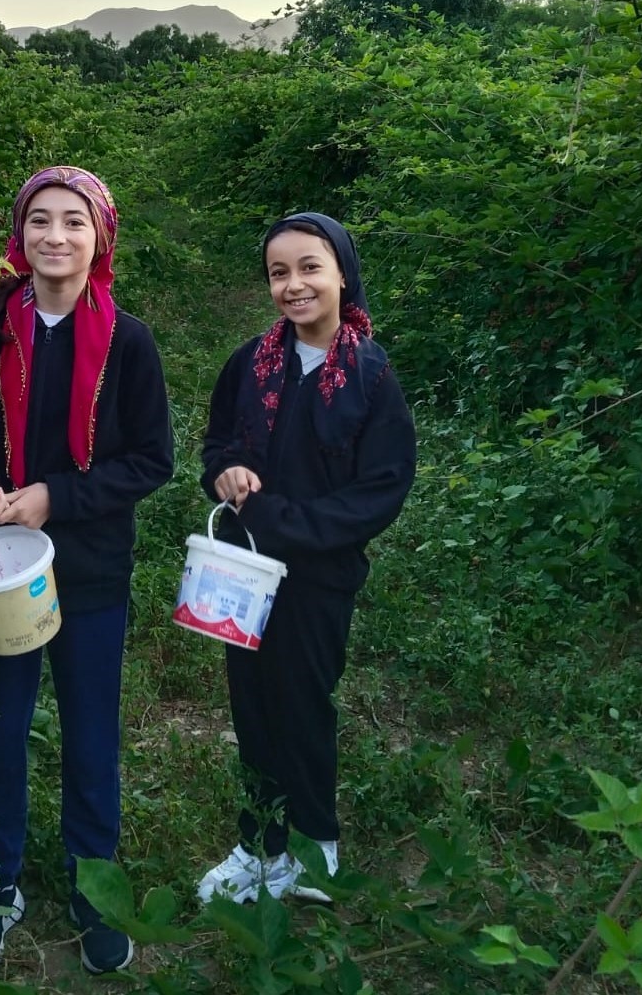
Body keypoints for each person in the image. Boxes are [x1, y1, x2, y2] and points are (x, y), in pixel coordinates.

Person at [0, 166, 173, 972]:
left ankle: (92, 885)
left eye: (75, 221)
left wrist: (55, 497)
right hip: (3, 565)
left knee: (90, 732)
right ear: (20, 233)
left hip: (92, 568)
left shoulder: (127, 340)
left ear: (100, 235)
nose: (56, 236)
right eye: (40, 220)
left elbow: (151, 460)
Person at [195, 212, 416, 905]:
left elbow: (380, 489)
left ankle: (315, 846)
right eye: (279, 272)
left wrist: (286, 521)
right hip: (243, 572)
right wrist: (226, 474)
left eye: (310, 267)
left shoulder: (370, 377)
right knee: (253, 705)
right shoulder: (249, 363)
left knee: (302, 703)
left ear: (343, 273)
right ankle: (259, 844)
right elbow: (217, 445)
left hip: (320, 579)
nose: (294, 285)